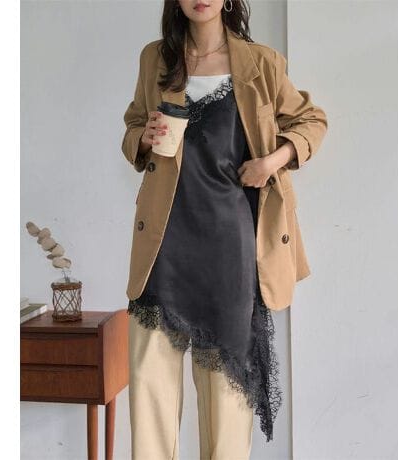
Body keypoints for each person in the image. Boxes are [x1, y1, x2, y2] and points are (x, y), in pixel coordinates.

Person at [121, 1, 328, 459]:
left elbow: (311, 120)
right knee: (150, 383)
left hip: (231, 244)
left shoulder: (261, 62)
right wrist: (143, 137)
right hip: (163, 244)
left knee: (227, 392)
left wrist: (271, 162)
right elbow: (134, 123)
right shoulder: (156, 58)